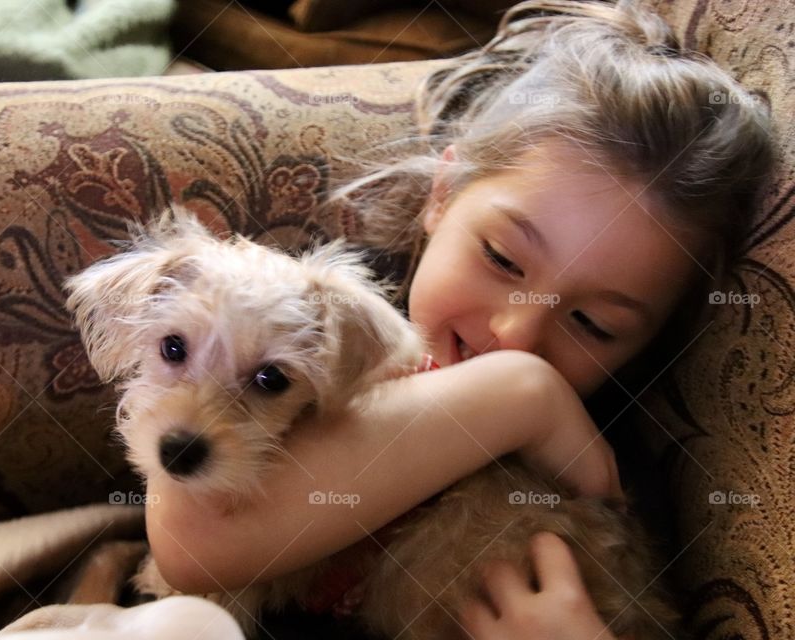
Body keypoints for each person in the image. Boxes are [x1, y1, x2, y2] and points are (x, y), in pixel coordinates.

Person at [145, 1, 775, 638]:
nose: (515, 335)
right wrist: (518, 395)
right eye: (503, 259)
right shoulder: (326, 322)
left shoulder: (606, 464)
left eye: (593, 323)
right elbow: (190, 542)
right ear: (442, 196)